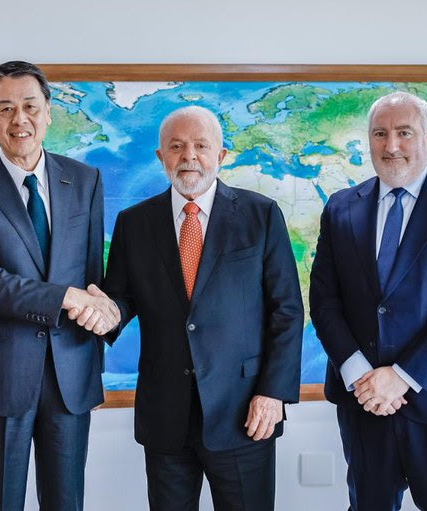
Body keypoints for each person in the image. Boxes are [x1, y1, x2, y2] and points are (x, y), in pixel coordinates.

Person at [96, 105, 303, 510]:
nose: (189, 156)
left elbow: (287, 311)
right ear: (161, 158)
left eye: (200, 146)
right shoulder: (134, 223)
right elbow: (121, 297)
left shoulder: (261, 215)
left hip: (245, 412)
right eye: (176, 147)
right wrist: (102, 311)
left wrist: (273, 393)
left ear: (221, 155)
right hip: (165, 414)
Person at [0, 61, 118, 511]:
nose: (20, 119)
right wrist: (65, 297)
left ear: (49, 112)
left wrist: (98, 330)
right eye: (5, 108)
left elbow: (91, 275)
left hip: (69, 372)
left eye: (30, 106)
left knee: (66, 501)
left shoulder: (84, 179)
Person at [309, 91, 427, 510]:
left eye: (403, 132)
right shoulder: (341, 208)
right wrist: (360, 375)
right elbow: (324, 300)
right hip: (364, 400)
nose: (391, 145)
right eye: (380, 133)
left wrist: (401, 376)